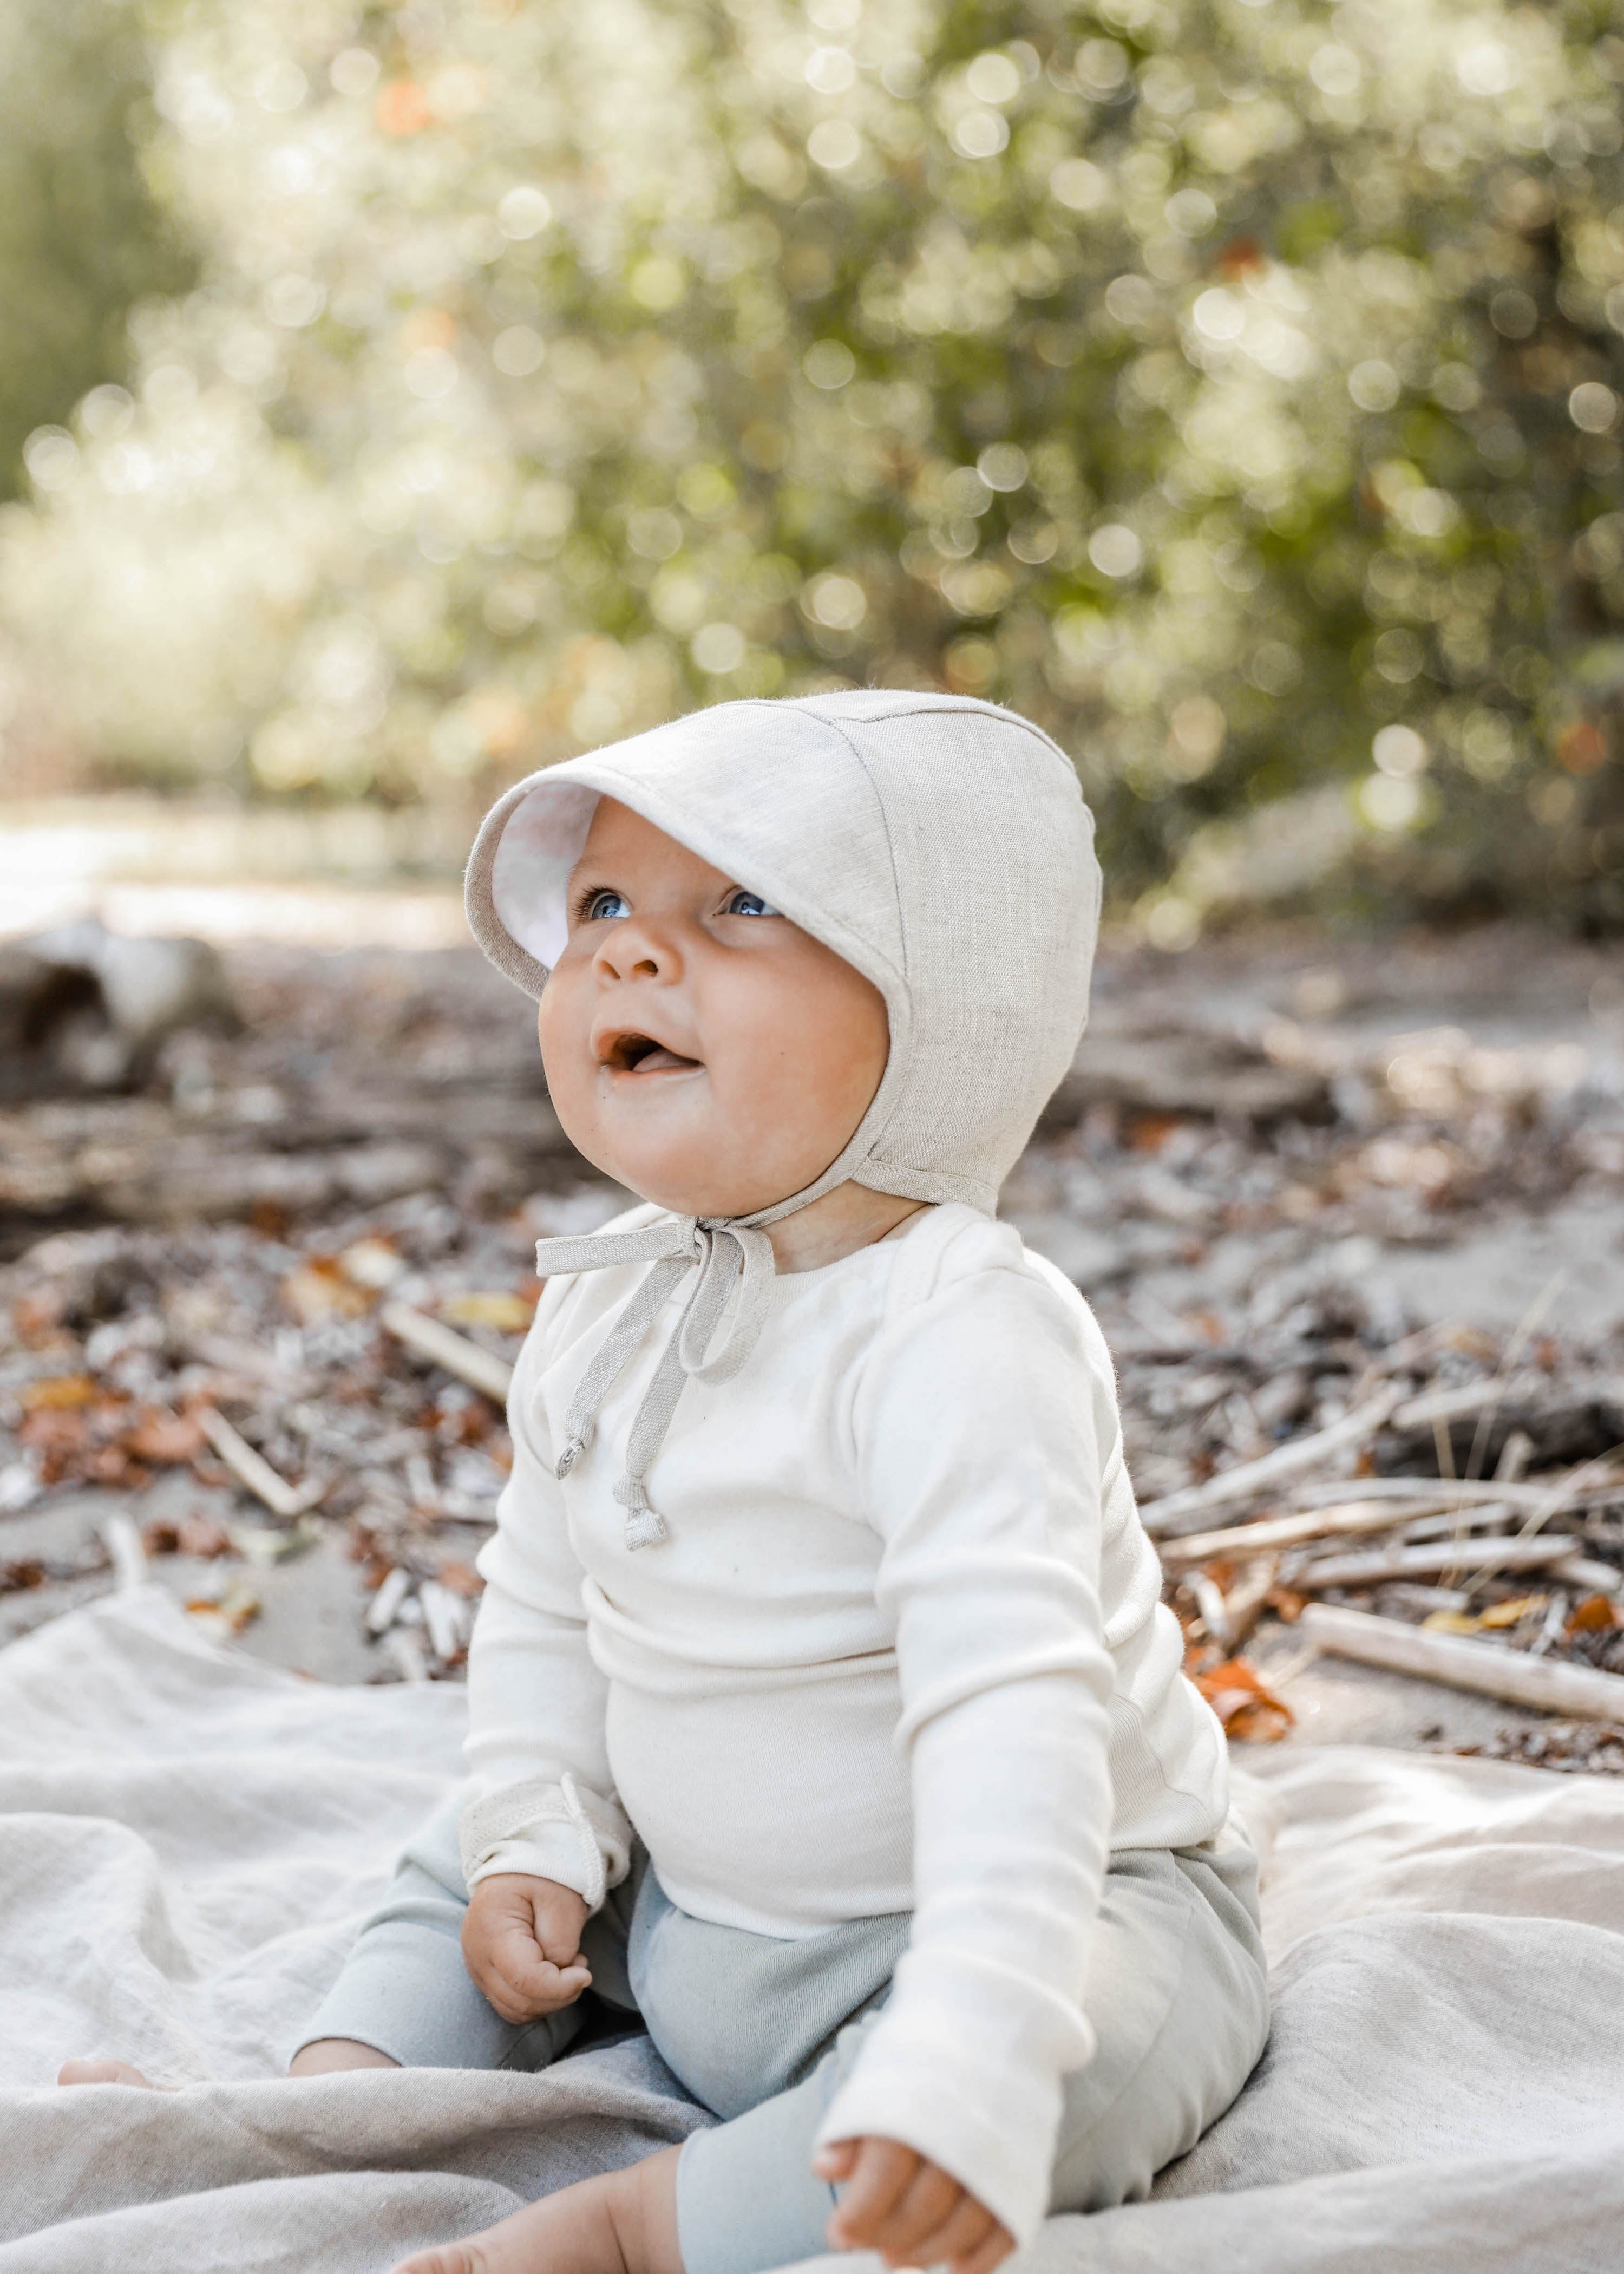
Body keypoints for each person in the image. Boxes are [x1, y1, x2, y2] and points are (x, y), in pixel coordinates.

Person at [63, 691, 1269, 2274]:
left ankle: (645, 2225)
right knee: (464, 1858)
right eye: (604, 906)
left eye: (746, 904)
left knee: (1064, 2080)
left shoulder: (961, 1329)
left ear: (944, 1005)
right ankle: (325, 2112)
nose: (628, 951)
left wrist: (971, 2034)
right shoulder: (611, 1288)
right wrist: (538, 1834)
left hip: (1018, 1908)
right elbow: (551, 1599)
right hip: (689, 1907)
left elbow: (1013, 1728)